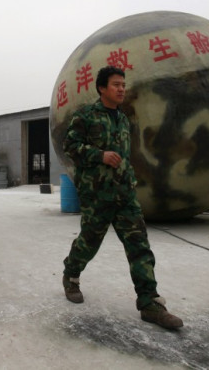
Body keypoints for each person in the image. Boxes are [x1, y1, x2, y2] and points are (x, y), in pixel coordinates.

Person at [61, 65, 183, 330]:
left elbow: (125, 156)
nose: (121, 89)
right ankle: (71, 274)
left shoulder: (123, 119)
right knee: (89, 242)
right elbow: (70, 146)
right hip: (97, 195)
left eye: (123, 85)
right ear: (102, 88)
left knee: (139, 246)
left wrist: (129, 177)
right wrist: (99, 155)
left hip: (125, 195)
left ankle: (149, 303)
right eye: (116, 84)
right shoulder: (86, 115)